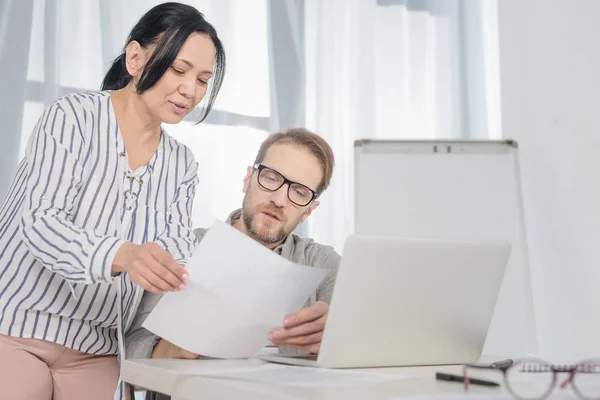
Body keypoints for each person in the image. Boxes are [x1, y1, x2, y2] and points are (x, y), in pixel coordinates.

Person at [0, 3, 225, 399]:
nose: (191, 90)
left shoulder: (182, 165)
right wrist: (124, 255)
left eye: (203, 79)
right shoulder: (72, 117)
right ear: (135, 57)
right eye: (179, 69)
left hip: (98, 350)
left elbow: (176, 256)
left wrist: (216, 293)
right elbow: (39, 222)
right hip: (17, 330)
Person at [126, 128, 340, 366]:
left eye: (299, 192)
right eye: (271, 178)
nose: (279, 200)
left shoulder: (324, 264)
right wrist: (174, 347)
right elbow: (131, 350)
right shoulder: (183, 249)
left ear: (308, 210)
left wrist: (336, 338)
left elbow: (365, 347)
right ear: (248, 179)